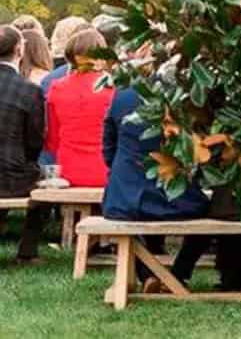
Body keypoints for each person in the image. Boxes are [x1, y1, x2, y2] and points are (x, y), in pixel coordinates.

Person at [102, 85, 212, 288]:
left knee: (128, 219)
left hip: (123, 197)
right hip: (170, 194)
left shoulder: (122, 97)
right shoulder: (183, 98)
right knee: (208, 210)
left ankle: (148, 275)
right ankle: (179, 274)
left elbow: (108, 148)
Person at [0, 25, 48, 264]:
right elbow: (35, 141)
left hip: (9, 173)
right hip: (11, 176)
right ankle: (27, 251)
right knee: (45, 183)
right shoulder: (29, 91)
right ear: (19, 50)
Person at [44, 26, 112, 186]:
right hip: (106, 170)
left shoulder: (57, 88)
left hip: (68, 170)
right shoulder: (113, 88)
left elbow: (53, 140)